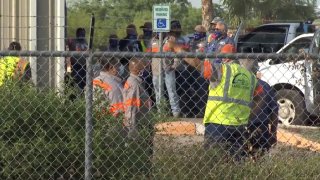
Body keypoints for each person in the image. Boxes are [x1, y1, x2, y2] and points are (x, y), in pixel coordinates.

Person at [170, 40, 263, 160]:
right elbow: (259, 96)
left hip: (218, 124)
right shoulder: (249, 75)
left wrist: (178, 49)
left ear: (223, 57)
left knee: (213, 161)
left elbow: (196, 63)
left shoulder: (220, 70)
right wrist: (251, 113)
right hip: (239, 125)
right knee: (234, 162)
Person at [240, 59, 278, 157]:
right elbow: (274, 111)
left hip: (240, 126)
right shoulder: (265, 86)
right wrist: (273, 132)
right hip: (261, 127)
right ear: (256, 69)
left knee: (240, 158)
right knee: (260, 158)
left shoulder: (238, 85)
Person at [151, 20, 184, 117]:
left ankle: (176, 112)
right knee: (158, 93)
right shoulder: (153, 41)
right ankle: (161, 113)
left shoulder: (171, 40)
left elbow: (178, 55)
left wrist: (174, 66)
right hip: (156, 71)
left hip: (168, 70)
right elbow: (149, 56)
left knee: (171, 91)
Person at [123, 58, 151, 139]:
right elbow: (132, 108)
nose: (146, 70)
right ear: (138, 71)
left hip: (140, 119)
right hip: (137, 122)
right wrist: (133, 130)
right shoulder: (135, 84)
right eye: (144, 68)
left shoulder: (135, 81)